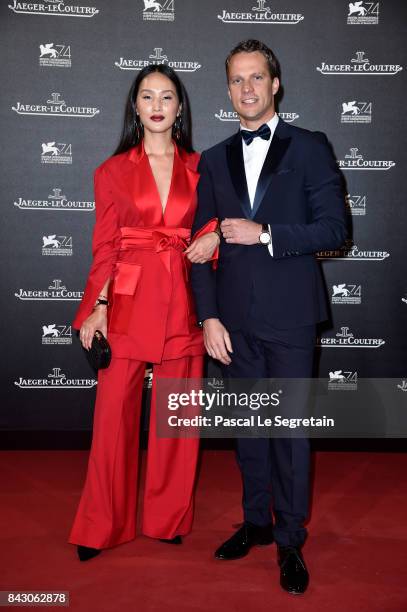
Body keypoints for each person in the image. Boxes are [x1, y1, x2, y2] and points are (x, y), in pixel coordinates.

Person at [190, 39, 347, 595]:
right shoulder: (212, 159)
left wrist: (267, 234)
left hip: (290, 318)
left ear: (275, 83)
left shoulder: (309, 147)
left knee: (289, 433)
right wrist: (207, 317)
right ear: (227, 89)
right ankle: (256, 522)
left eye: (257, 78)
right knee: (249, 432)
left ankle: (290, 541)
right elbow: (198, 247)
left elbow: (335, 230)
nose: (247, 89)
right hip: (232, 321)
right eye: (237, 80)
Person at [69, 64, 219, 561]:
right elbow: (105, 247)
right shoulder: (111, 171)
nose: (157, 105)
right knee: (113, 420)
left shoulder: (202, 168)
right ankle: (101, 525)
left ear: (180, 108)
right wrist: (96, 310)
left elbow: (213, 234)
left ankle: (166, 518)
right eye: (147, 96)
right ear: (134, 106)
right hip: (127, 300)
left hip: (182, 298)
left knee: (177, 417)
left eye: (167, 96)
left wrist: (212, 240)